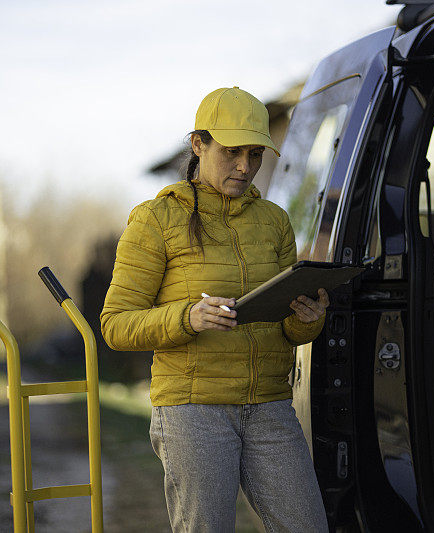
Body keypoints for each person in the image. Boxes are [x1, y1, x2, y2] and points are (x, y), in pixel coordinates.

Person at [101, 86, 330, 532]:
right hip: (194, 412)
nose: (245, 167)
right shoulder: (156, 219)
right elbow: (115, 325)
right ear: (198, 144)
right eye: (231, 152)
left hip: (269, 405)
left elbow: (287, 330)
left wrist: (306, 320)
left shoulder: (274, 221)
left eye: (256, 154)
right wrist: (189, 317)